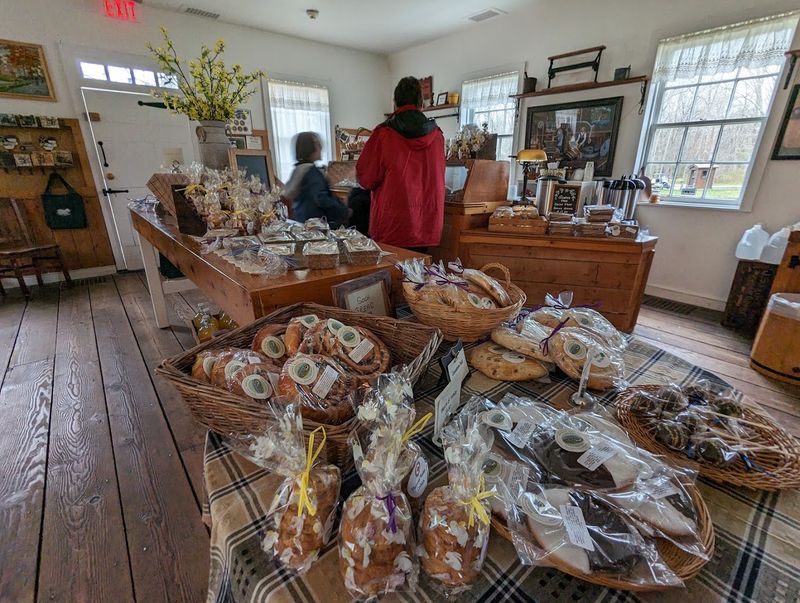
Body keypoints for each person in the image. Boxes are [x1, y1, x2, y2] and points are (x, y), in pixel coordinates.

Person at [356, 76, 445, 251]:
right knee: (419, 277)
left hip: (392, 226)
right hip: (426, 226)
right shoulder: (437, 136)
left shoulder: (383, 134)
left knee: (391, 277)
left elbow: (366, 179)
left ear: (395, 102)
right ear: (421, 103)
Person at [283, 132, 349, 228]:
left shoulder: (298, 169)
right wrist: (343, 210)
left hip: (302, 221)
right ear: (310, 148)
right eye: (318, 145)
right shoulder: (312, 173)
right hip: (317, 225)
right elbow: (321, 199)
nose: (321, 148)